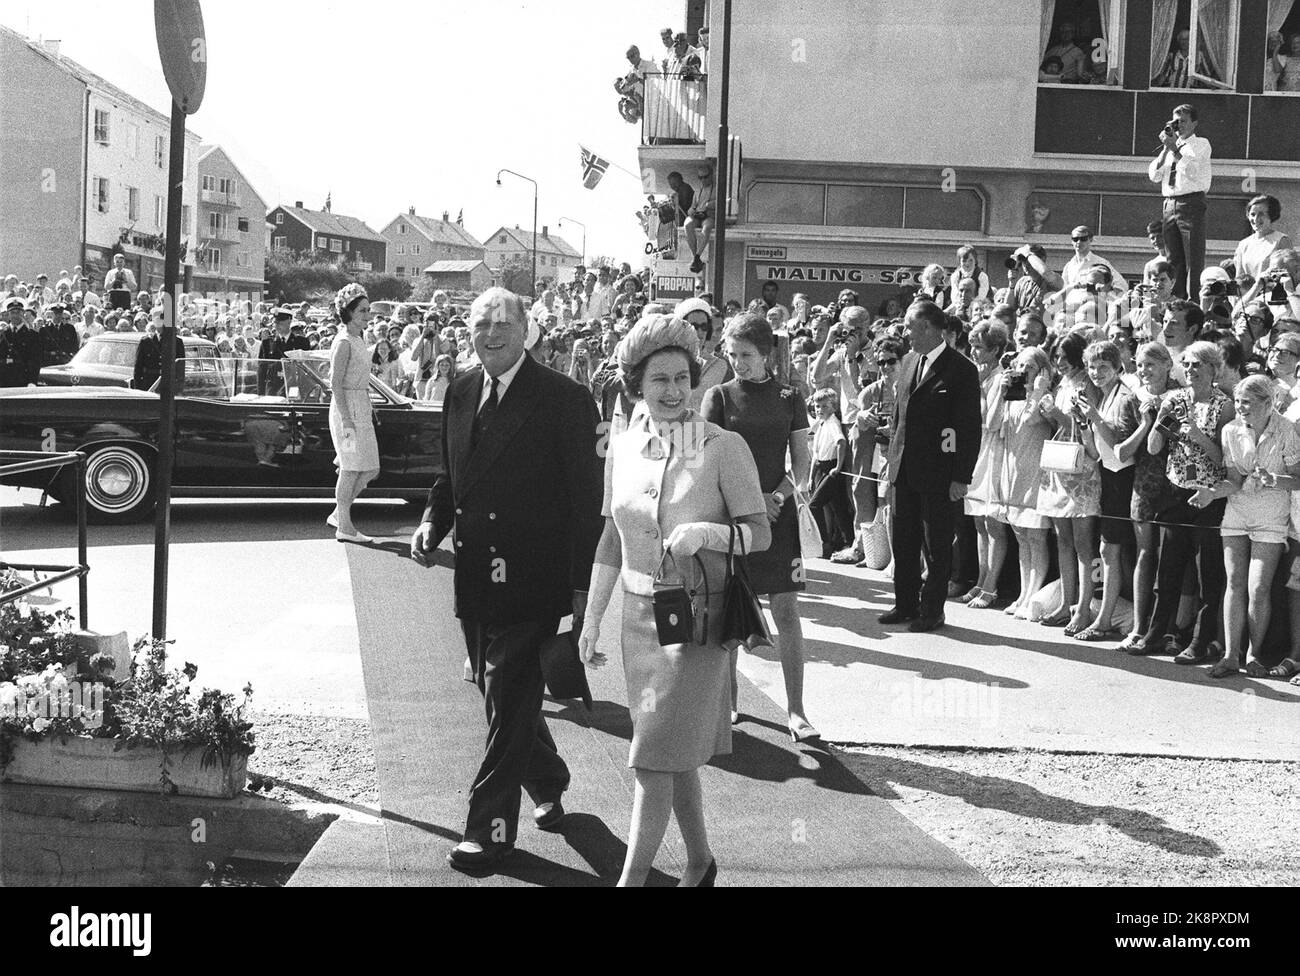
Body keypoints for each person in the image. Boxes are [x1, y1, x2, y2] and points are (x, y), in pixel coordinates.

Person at [411, 286, 603, 875]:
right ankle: (548, 775)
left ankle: (489, 832)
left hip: (534, 579)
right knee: (501, 696)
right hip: (475, 574)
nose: (490, 333)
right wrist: (432, 521)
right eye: (479, 322)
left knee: (510, 689)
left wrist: (580, 585)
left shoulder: (565, 398)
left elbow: (585, 500)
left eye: (503, 323)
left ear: (527, 331)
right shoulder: (462, 388)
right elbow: (452, 472)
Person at [577, 314, 769, 887]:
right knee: (671, 753)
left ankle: (630, 882)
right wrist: (590, 620)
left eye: (682, 378)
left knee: (650, 758)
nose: (672, 391)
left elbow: (758, 532)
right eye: (658, 379)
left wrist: (710, 535)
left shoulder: (721, 446)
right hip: (639, 620)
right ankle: (700, 863)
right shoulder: (626, 446)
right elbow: (611, 534)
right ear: (636, 383)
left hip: (698, 621)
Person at [702, 312, 817, 741]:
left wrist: (778, 497)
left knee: (787, 611)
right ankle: (728, 703)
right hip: (734, 518)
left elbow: (802, 464)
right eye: (731, 354)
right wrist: (746, 505)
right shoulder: (719, 395)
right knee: (731, 609)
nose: (738, 363)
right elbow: (709, 462)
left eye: (746, 355)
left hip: (778, 516)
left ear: (766, 353)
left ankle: (797, 711)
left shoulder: (791, 396)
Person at [881, 301, 981, 631]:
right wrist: (890, 464)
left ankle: (932, 610)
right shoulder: (909, 362)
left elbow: (966, 428)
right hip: (903, 470)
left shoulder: (961, 369)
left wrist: (960, 476)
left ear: (928, 327)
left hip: (938, 473)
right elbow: (899, 417)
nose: (905, 333)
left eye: (910, 327)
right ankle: (905, 604)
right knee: (904, 542)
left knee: (936, 545)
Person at [1195, 375, 1300, 678]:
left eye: (1248, 403)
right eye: (1238, 401)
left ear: (1269, 404)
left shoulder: (1287, 430)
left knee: (1258, 587)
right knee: (1235, 583)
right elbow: (1234, 479)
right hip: (1237, 512)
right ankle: (1230, 656)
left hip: (1271, 515)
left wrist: (1274, 480)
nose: (1241, 407)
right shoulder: (1230, 430)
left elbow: (1297, 477)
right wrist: (1211, 494)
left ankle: (1254, 654)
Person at [1137, 341, 1233, 659]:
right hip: (1176, 492)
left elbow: (1223, 459)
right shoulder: (1175, 400)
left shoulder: (1224, 405)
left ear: (1213, 369)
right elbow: (1153, 447)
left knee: (1207, 572)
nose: (1190, 370)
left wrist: (1197, 435)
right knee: (1169, 570)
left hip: (1207, 496)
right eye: (1186, 364)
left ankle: (1200, 641)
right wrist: (1159, 418)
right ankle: (1155, 634)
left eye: (1197, 365)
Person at [1035, 332, 1102, 633]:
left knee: (1083, 544)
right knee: (1063, 539)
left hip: (1083, 469)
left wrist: (1057, 415)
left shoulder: (1086, 384)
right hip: (1060, 467)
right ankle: (1066, 602)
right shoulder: (1062, 384)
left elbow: (1081, 427)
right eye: (1056, 356)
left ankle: (1083, 608)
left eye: (1064, 356)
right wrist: (1050, 414)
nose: (1059, 362)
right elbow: (1061, 426)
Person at [1073, 340, 1140, 641]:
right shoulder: (1102, 397)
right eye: (1092, 366)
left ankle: (1104, 621)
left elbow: (1122, 450)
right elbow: (1097, 451)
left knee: (1110, 550)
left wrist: (1096, 419)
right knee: (1109, 550)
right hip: (1108, 475)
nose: (1096, 372)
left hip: (1123, 480)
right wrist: (1085, 425)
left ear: (1117, 367)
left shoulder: (1124, 397)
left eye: (1103, 367)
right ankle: (1103, 616)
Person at [1118, 342, 1179, 654]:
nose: (1144, 371)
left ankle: (1169, 631)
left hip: (1177, 485)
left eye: (1151, 364)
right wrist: (1145, 423)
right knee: (1145, 554)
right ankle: (1140, 627)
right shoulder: (1133, 399)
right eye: (1139, 365)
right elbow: (1122, 451)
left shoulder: (1181, 395)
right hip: (1144, 483)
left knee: (1174, 558)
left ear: (1168, 364)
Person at [960, 321, 1009, 610]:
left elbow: (989, 421)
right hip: (975, 453)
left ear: (996, 350)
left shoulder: (999, 378)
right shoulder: (980, 376)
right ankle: (980, 580)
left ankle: (991, 587)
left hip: (994, 453)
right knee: (979, 521)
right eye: (973, 345)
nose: (974, 352)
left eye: (980, 347)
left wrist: (978, 387)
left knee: (993, 523)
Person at [326, 285, 380, 543]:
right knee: (349, 468)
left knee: (370, 468)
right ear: (347, 311)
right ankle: (345, 526)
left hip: (362, 407)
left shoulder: (359, 339)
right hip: (346, 411)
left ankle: (339, 512)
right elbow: (335, 383)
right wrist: (347, 419)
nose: (367, 315)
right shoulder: (344, 341)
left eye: (368, 310)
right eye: (362, 310)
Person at [1148, 103, 1211, 300]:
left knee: (1193, 258)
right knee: (1173, 258)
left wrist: (1174, 148)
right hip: (1169, 203)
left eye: (1183, 121)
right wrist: (1167, 149)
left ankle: (1193, 302)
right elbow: (1154, 175)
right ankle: (1175, 300)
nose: (1179, 125)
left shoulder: (1201, 144)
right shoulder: (1170, 147)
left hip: (1190, 202)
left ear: (1194, 123)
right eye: (1175, 121)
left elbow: (1192, 172)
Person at [807, 388, 854, 557]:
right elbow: (816, 453)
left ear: (833, 407)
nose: (820, 410)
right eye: (817, 406)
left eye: (824, 406)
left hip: (831, 468)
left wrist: (838, 467)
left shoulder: (833, 422)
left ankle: (824, 542)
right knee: (838, 506)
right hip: (821, 466)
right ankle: (846, 540)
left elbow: (841, 441)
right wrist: (811, 476)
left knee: (815, 505)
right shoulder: (821, 424)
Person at [1233, 195, 1291, 283]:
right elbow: (1239, 278)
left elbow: (1289, 275)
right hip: (1250, 295)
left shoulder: (1281, 240)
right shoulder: (1243, 244)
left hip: (1273, 295)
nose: (1255, 219)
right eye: (1252, 214)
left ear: (1271, 215)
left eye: (1261, 214)